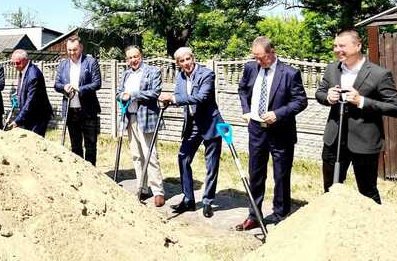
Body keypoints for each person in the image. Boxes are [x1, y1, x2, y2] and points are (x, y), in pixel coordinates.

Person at [315, 29, 397, 204]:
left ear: (358, 46)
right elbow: (320, 93)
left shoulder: (379, 74)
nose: (337, 50)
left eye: (342, 46)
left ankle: (373, 229)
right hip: (334, 140)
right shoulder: (332, 69)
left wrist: (361, 101)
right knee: (330, 190)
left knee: (367, 192)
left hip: (364, 142)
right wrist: (328, 97)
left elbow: (395, 107)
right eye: (335, 46)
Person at [235, 36, 308, 231]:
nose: (259, 62)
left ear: (272, 51)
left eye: (262, 58)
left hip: (280, 131)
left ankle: (280, 214)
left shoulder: (290, 73)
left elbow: (300, 101)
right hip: (257, 130)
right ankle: (254, 215)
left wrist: (278, 114)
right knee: (256, 174)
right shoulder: (251, 68)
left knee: (281, 175)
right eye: (256, 57)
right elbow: (242, 89)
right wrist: (246, 110)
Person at [160, 47, 223, 217]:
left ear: (193, 58)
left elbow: (201, 98)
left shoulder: (207, 74)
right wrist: (168, 102)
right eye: (182, 61)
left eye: (188, 59)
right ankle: (188, 199)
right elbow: (180, 96)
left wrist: (173, 99)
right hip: (192, 125)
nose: (186, 63)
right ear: (177, 63)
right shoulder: (180, 77)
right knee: (183, 157)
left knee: (211, 165)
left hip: (211, 124)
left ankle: (208, 202)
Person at [117, 46, 165, 207]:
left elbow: (155, 92)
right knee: (137, 155)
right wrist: (122, 96)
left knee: (150, 155)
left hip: (146, 118)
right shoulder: (126, 74)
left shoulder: (152, 71)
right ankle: (142, 188)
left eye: (135, 56)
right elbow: (119, 92)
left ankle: (158, 191)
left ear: (141, 56)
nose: (133, 60)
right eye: (130, 58)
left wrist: (133, 94)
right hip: (130, 118)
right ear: (126, 60)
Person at [54, 36, 102, 165]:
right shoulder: (63, 64)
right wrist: (64, 87)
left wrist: (80, 89)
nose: (72, 53)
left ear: (81, 47)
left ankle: (92, 174)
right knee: (75, 145)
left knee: (90, 145)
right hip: (71, 110)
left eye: (74, 49)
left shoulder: (90, 62)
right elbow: (56, 84)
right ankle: (79, 173)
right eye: (69, 50)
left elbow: (97, 83)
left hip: (88, 110)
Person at [8, 49, 53, 136]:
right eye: (13, 63)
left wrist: (17, 120)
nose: (15, 66)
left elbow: (30, 102)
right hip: (30, 115)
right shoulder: (23, 69)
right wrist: (18, 95)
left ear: (26, 60)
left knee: (35, 143)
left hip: (38, 117)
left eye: (17, 63)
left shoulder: (33, 76)